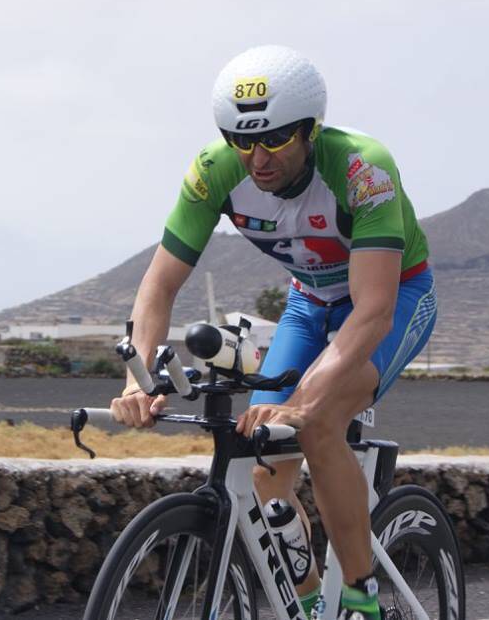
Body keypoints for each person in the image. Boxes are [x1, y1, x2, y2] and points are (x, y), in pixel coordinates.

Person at [109, 45, 436, 620]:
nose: (256, 159)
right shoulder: (214, 172)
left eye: (275, 140)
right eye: (241, 140)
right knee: (262, 462)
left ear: (310, 130)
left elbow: (374, 310)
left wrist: (304, 402)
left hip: (394, 296)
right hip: (309, 302)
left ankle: (361, 598)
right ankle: (311, 602)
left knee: (319, 421)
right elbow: (157, 289)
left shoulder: (363, 168)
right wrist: (140, 378)